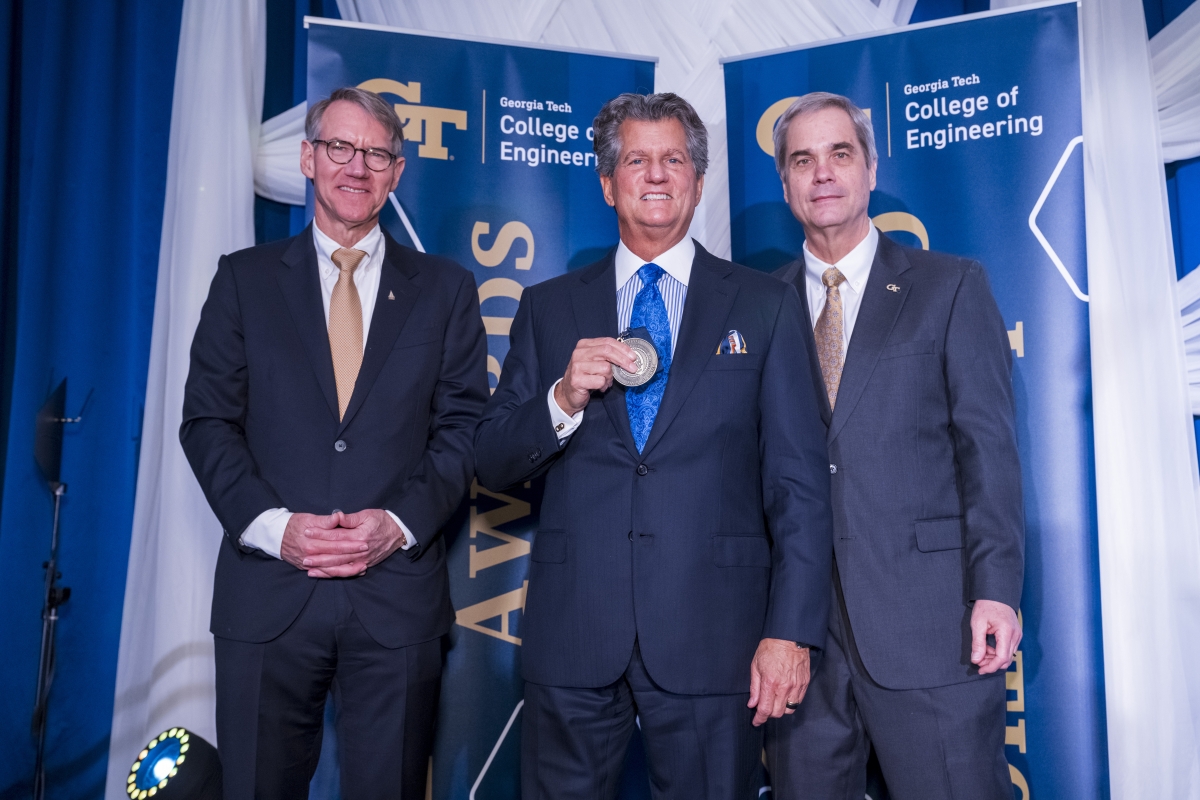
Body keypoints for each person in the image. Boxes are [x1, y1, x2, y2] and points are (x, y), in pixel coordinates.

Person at [474, 92, 833, 799]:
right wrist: (562, 399)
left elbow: (798, 484)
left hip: (717, 642)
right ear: (609, 183)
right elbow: (490, 458)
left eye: (674, 160)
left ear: (699, 182)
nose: (657, 175)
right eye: (637, 160)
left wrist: (792, 633)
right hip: (576, 637)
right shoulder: (548, 308)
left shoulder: (764, 305)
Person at [180, 87, 488, 799]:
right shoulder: (244, 280)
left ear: (399, 171)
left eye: (377, 153)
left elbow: (465, 428)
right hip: (269, 596)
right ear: (309, 158)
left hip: (396, 600)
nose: (358, 167)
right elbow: (207, 423)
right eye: (341, 148)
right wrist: (277, 529)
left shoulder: (445, 290)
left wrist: (398, 524)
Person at [765, 91, 1024, 800]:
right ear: (785, 182)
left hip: (933, 626)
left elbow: (988, 453)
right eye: (802, 160)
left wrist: (995, 591)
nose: (822, 174)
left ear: (870, 169)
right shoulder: (758, 306)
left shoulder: (949, 286)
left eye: (839, 154)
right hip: (801, 641)